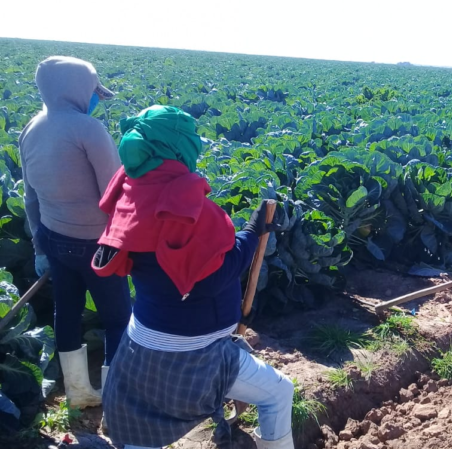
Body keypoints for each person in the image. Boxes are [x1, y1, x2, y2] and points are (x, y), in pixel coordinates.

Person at [95, 105, 295, 449]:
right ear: (178, 147)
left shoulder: (131, 192)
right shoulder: (181, 205)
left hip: (139, 349)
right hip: (192, 358)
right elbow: (218, 274)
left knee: (141, 433)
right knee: (279, 392)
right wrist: (252, 229)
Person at [19, 56, 132, 408]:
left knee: (65, 313)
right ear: (79, 90)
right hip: (97, 245)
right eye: (93, 91)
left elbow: (30, 197)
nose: (95, 98)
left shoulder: (31, 128)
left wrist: (40, 247)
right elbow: (114, 196)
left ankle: (79, 394)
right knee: (117, 319)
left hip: (54, 239)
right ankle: (116, 402)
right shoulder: (89, 129)